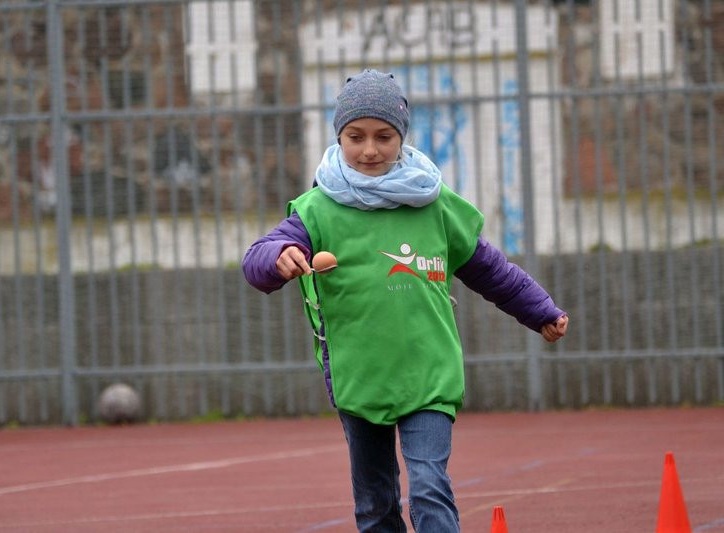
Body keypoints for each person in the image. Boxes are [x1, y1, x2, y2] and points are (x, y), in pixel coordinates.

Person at [242, 69, 568, 532]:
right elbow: (255, 259)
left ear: (402, 138)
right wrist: (280, 255)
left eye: (384, 136)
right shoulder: (316, 210)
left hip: (427, 372)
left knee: (430, 485)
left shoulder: (433, 204)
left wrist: (542, 311)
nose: (370, 149)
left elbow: (491, 269)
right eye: (356, 136)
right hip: (361, 374)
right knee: (376, 504)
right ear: (339, 137)